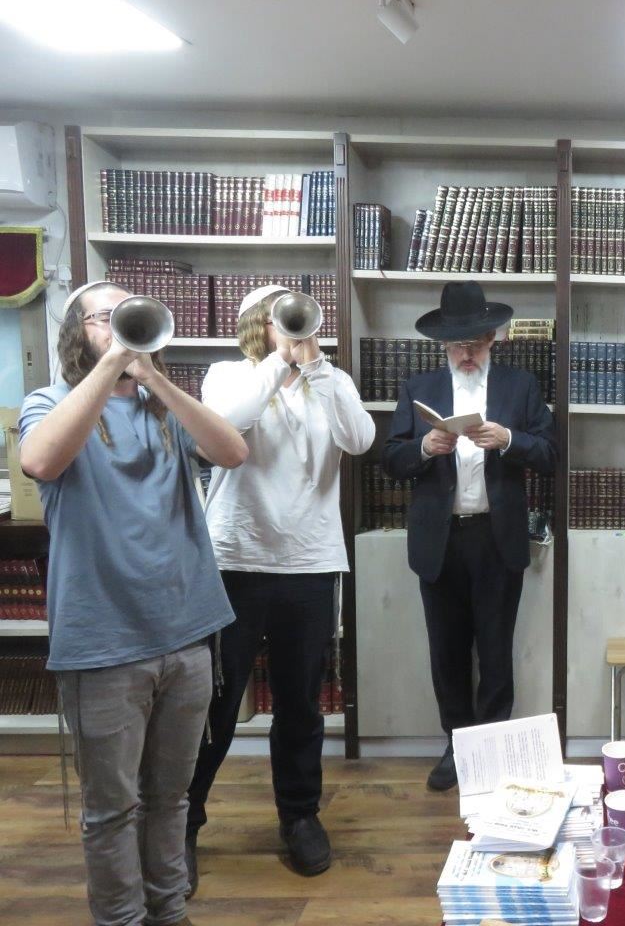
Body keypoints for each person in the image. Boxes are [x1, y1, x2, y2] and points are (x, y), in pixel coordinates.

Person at [18, 280, 247, 926]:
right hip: (104, 640)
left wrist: (156, 379)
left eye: (128, 315)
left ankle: (168, 911)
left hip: (186, 633)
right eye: (104, 318)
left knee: (171, 797)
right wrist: (114, 364)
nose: (118, 325)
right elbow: (40, 461)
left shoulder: (161, 405)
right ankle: (121, 919)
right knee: (112, 809)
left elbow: (232, 452)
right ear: (77, 332)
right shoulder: (50, 402)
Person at [184, 285, 375, 889]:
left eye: (299, 320)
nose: (294, 330)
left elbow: (360, 439)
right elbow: (226, 427)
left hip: (310, 562)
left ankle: (299, 815)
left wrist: (318, 370)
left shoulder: (331, 381)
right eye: (280, 320)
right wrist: (279, 364)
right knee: (216, 702)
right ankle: (183, 820)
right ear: (256, 326)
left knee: (300, 702)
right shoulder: (227, 376)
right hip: (236, 559)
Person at [382, 280, 556, 792]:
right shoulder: (419, 388)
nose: (466, 353)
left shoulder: (519, 386)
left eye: (475, 343)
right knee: (447, 651)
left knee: (496, 650)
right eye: (457, 345)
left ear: (492, 339)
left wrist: (509, 439)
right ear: (443, 345)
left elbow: (550, 453)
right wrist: (425, 448)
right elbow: (390, 458)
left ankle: (495, 749)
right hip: (440, 541)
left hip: (496, 538)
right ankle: (457, 747)